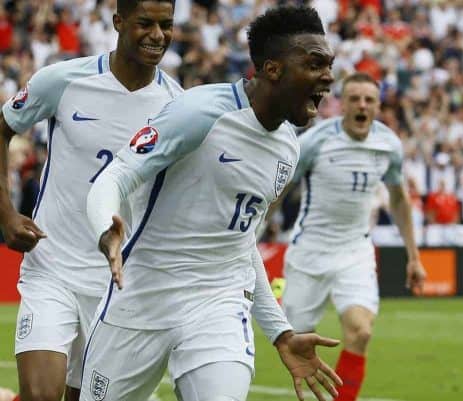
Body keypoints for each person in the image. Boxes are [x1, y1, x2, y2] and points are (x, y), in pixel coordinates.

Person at [81, 6, 340, 401]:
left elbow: (241, 244)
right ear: (273, 69)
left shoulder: (288, 149)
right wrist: (105, 227)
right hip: (141, 296)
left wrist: (280, 332)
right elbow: (116, 175)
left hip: (218, 306)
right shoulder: (199, 112)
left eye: (329, 65)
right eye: (315, 64)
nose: (328, 77)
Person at [0, 1, 182, 400]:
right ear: (118, 22)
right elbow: (2, 129)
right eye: (145, 23)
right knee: (40, 395)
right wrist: (7, 214)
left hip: (120, 286)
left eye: (166, 24)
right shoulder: (63, 80)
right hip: (54, 269)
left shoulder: (177, 107)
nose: (158, 35)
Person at [281, 73, 426, 401]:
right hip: (309, 252)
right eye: (355, 99)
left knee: (360, 332)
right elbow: (279, 191)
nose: (362, 105)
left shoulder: (388, 144)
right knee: (297, 339)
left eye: (369, 100)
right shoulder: (314, 142)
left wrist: (414, 257)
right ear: (342, 103)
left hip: (355, 251)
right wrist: (252, 234)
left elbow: (399, 200)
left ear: (377, 105)